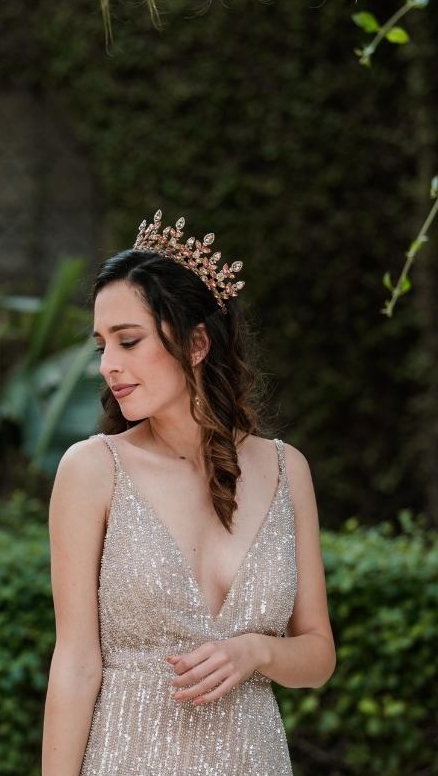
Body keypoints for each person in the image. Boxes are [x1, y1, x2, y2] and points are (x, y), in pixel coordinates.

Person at [42, 210, 336, 775]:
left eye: (128, 342)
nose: (108, 366)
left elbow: (318, 654)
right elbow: (76, 662)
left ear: (197, 342)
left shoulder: (286, 469)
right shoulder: (93, 470)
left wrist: (257, 651)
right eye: (102, 345)